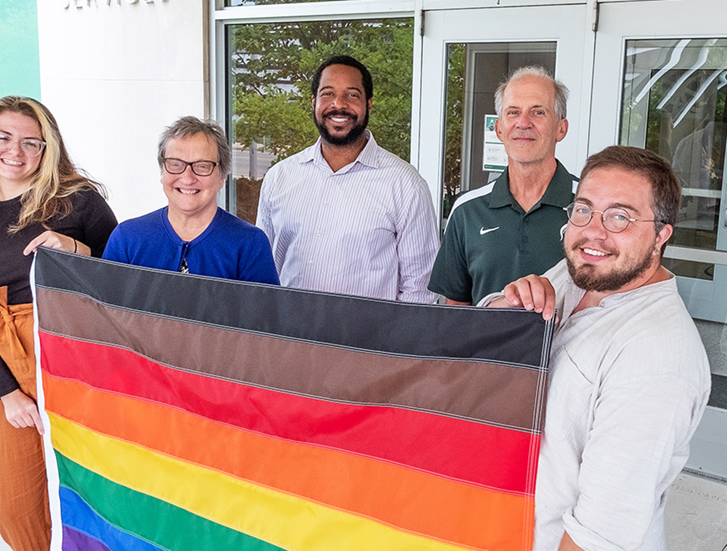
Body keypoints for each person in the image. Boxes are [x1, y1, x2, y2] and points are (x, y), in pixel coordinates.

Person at [486, 145, 710, 551]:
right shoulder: (582, 277)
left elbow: (601, 535)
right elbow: (484, 347)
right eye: (584, 209)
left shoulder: (657, 359)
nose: (593, 231)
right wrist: (508, 304)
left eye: (620, 217)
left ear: (661, 234)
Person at [0, 96, 118, 550]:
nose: (15, 151)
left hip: (78, 355)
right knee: (19, 502)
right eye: (3, 137)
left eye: (31, 142)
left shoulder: (76, 200)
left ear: (48, 148)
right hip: (12, 360)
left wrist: (74, 249)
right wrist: (5, 392)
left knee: (90, 486)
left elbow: (125, 276)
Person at [256, 55, 438, 302]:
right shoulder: (280, 178)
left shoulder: (405, 185)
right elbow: (265, 272)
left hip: (366, 339)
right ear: (313, 102)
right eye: (327, 94)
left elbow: (420, 288)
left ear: (369, 104)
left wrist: (396, 341)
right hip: (291, 336)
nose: (338, 104)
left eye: (352, 95)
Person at [430, 66, 578, 305]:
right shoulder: (467, 210)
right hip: (485, 343)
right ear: (499, 129)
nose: (523, 122)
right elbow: (456, 309)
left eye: (538, 112)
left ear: (561, 128)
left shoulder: (589, 208)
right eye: (513, 112)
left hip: (568, 344)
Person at [103, 116, 279, 284]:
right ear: (162, 173)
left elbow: (263, 315)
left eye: (202, 166)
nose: (187, 178)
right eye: (175, 164)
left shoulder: (250, 244)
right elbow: (104, 313)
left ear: (221, 176)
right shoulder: (127, 239)